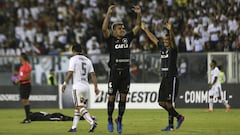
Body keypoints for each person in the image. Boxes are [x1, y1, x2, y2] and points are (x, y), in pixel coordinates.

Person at [102, 5, 141, 134]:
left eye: (123, 28)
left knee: (123, 99)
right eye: (119, 28)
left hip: (125, 73)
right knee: (111, 98)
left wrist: (138, 15)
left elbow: (137, 28)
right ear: (114, 30)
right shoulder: (111, 40)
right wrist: (108, 14)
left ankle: (119, 120)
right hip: (114, 73)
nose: (122, 30)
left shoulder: (127, 38)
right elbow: (104, 29)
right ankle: (109, 119)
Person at [141, 21, 185, 131]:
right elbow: (153, 38)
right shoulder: (162, 48)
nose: (165, 41)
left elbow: (173, 41)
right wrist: (145, 29)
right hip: (164, 78)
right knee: (161, 102)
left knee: (169, 103)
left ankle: (171, 125)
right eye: (164, 40)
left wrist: (170, 30)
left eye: (167, 40)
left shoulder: (173, 50)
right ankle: (178, 117)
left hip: (172, 78)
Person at [61, 44, 100, 133]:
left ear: (73, 51)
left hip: (77, 87)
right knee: (78, 108)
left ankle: (92, 122)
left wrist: (64, 83)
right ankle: (74, 127)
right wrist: (96, 87)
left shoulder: (73, 59)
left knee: (79, 107)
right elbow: (93, 75)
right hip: (86, 87)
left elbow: (70, 72)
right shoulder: (88, 60)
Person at [15, 53, 32, 124]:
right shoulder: (22, 66)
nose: (19, 58)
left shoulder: (27, 65)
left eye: (19, 56)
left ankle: (28, 118)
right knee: (24, 101)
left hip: (26, 85)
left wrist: (19, 80)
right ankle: (28, 118)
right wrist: (16, 79)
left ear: (22, 57)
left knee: (25, 101)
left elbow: (28, 77)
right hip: (22, 85)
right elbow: (21, 76)